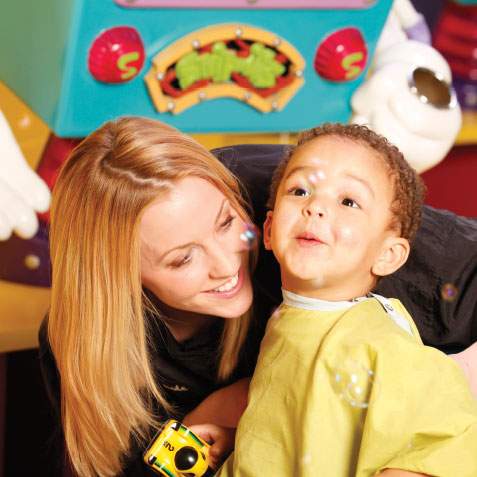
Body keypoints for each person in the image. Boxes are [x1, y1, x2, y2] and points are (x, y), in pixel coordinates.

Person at [38, 117, 477, 477]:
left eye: (227, 223)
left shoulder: (309, 216)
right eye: (182, 259)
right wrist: (219, 427)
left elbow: (444, 442)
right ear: (122, 280)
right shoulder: (87, 341)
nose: (228, 265)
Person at [218, 123, 477, 477]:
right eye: (300, 190)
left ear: (388, 255)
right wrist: (213, 425)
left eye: (348, 201)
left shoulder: (381, 344)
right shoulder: (291, 319)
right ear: (269, 229)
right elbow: (282, 397)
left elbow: (439, 449)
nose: (316, 207)